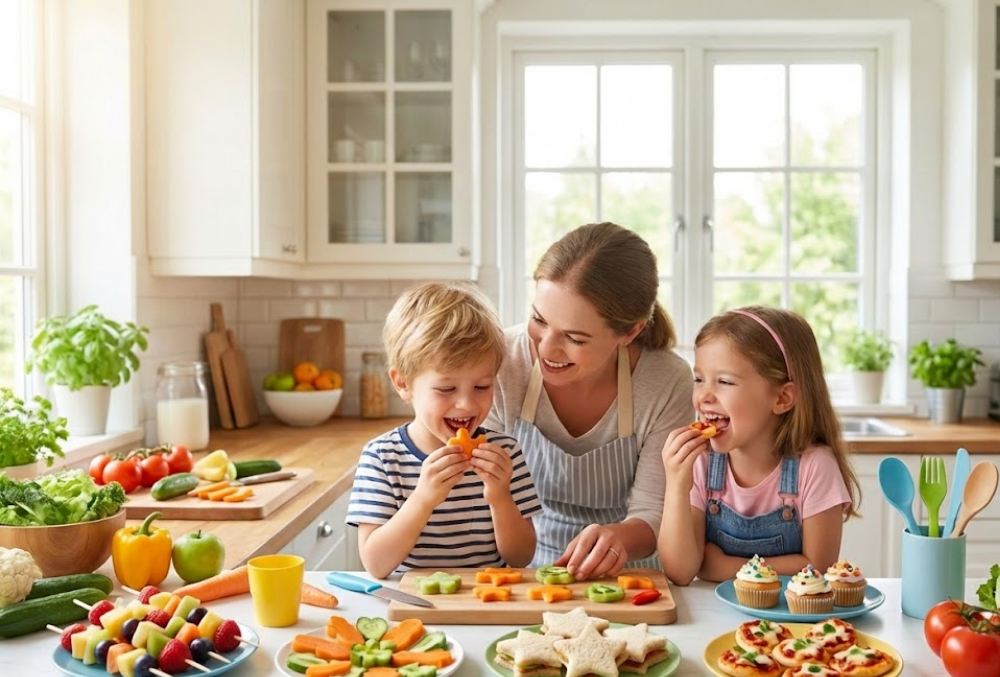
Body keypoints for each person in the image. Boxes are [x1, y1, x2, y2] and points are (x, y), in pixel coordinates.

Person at [486, 222, 693, 580]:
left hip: (631, 579)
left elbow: (654, 511)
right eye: (539, 320)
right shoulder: (502, 361)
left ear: (630, 332)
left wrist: (617, 538)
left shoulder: (666, 381)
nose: (546, 348)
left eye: (575, 338)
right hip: (528, 570)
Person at [346, 281, 542, 578]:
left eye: (482, 386)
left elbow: (520, 558)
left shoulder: (505, 453)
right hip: (414, 607)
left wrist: (500, 496)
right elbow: (375, 564)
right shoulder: (383, 458)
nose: (466, 404)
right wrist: (423, 498)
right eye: (446, 388)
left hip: (488, 599)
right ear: (403, 383)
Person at [658, 306, 861, 585]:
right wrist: (676, 486)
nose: (703, 396)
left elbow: (818, 566)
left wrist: (726, 568)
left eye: (725, 381)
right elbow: (680, 572)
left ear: (782, 398)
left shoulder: (814, 466)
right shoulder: (702, 463)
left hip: (788, 621)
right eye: (699, 379)